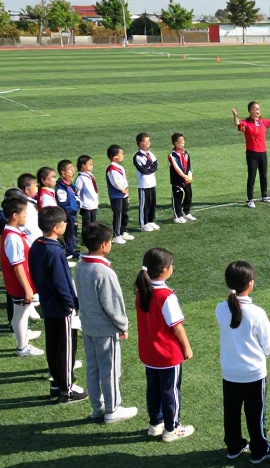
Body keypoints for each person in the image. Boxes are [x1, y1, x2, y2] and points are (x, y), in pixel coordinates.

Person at [75, 222, 138, 423]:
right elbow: (113, 304)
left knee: (93, 368)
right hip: (104, 328)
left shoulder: (81, 266)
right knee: (110, 369)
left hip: (88, 325)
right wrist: (123, 325)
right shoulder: (104, 272)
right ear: (104, 245)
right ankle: (112, 409)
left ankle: (97, 407)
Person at [216, 260, 270, 463]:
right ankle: (259, 449)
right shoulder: (256, 313)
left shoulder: (220, 309)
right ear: (251, 283)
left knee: (231, 412)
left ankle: (233, 446)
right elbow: (268, 345)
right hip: (253, 373)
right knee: (255, 413)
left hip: (229, 372)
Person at [136, 247, 195, 442]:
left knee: (153, 389)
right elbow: (176, 326)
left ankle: (155, 424)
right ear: (164, 270)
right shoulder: (166, 295)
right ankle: (172, 428)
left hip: (149, 353)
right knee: (171, 391)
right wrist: (186, 347)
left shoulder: (142, 290)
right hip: (167, 354)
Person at [29, 206, 85, 403]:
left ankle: (56, 383)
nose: (66, 225)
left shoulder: (36, 245)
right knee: (66, 348)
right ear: (56, 227)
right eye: (64, 223)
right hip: (61, 307)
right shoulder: (54, 250)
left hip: (47, 303)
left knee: (53, 345)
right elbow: (62, 282)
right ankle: (67, 389)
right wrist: (71, 305)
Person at [0, 196, 42, 357]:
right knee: (21, 316)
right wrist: (28, 289)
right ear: (15, 215)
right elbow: (17, 266)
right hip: (19, 285)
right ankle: (22, 347)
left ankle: (22, 343)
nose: (26, 216)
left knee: (19, 315)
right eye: (24, 213)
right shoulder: (13, 237)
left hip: (17, 284)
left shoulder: (12, 233)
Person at [232, 101, 270, 208]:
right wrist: (235, 115)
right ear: (250, 111)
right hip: (252, 153)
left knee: (264, 175)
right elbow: (237, 123)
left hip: (263, 153)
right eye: (255, 109)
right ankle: (250, 199)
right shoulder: (246, 123)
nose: (258, 110)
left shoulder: (262, 122)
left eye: (258, 108)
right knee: (252, 177)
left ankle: (264, 196)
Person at [106, 145, 133, 243]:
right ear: (114, 156)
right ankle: (117, 235)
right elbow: (115, 182)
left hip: (123, 194)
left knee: (124, 213)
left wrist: (126, 189)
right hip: (116, 196)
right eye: (121, 153)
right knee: (118, 214)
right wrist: (122, 189)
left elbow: (124, 180)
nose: (123, 155)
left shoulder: (120, 167)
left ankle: (123, 231)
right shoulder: (111, 169)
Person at [133, 132, 160, 232]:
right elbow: (143, 170)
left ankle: (151, 220)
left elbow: (155, 166)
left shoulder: (151, 154)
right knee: (144, 204)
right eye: (146, 141)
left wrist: (149, 167)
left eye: (149, 140)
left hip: (152, 182)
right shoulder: (137, 156)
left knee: (152, 202)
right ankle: (143, 223)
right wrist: (149, 166)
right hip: (143, 184)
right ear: (140, 143)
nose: (148, 143)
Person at [55, 159, 81, 262]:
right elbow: (63, 203)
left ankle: (73, 250)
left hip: (73, 213)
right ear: (63, 172)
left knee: (73, 232)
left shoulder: (70, 184)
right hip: (67, 214)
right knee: (70, 232)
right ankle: (70, 252)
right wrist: (74, 208)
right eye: (70, 169)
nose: (73, 170)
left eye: (73, 168)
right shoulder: (61, 187)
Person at [168, 132, 196, 223]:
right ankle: (177, 215)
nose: (183, 143)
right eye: (181, 141)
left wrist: (190, 175)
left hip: (187, 179)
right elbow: (177, 168)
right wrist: (184, 176)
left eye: (183, 141)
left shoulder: (185, 153)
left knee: (188, 195)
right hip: (178, 180)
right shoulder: (172, 155)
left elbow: (189, 166)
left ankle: (186, 212)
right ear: (175, 143)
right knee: (178, 197)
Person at [75, 155, 101, 230]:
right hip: (86, 206)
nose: (92, 166)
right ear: (83, 165)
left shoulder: (90, 176)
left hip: (93, 204)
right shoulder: (80, 178)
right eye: (90, 164)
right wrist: (79, 204)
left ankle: (92, 237)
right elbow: (77, 192)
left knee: (93, 223)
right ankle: (86, 239)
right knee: (87, 224)